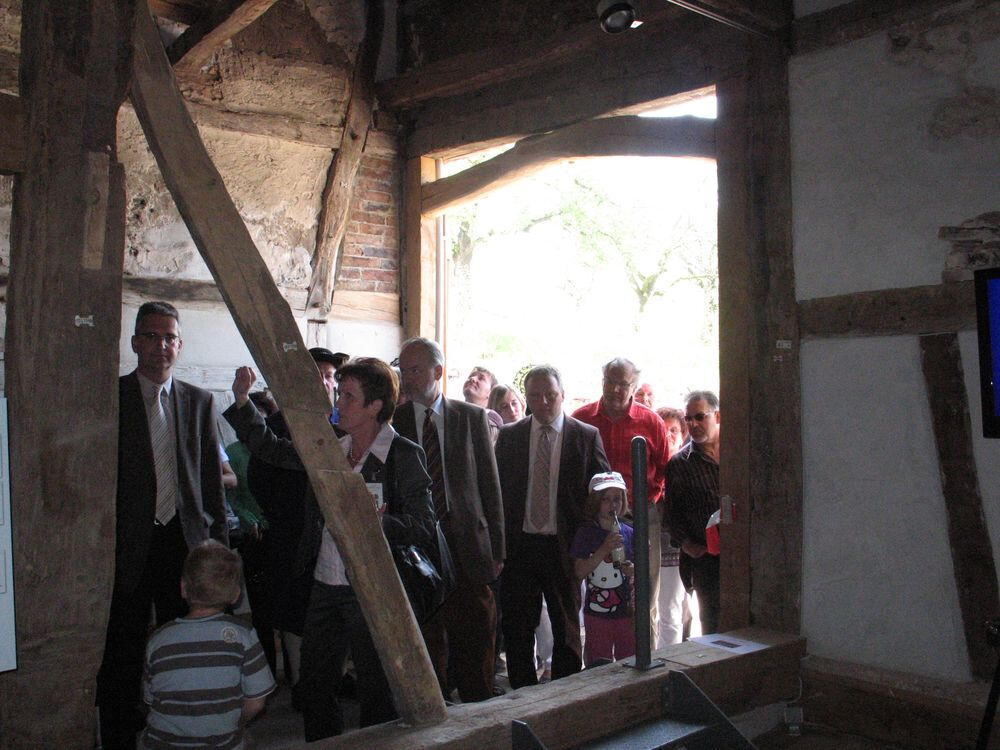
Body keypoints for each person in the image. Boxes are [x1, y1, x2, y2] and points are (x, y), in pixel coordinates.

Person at [226, 357, 437, 739]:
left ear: (375, 406)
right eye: (340, 394)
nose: (337, 403)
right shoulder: (329, 446)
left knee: (376, 689)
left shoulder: (402, 455)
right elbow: (271, 449)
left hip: (373, 589)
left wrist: (380, 523)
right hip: (325, 584)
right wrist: (242, 402)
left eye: (348, 397)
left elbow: (424, 527)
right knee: (314, 687)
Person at [97, 301, 228, 750]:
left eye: (170, 337)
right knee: (123, 646)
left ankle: (181, 727)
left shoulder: (197, 401)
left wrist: (219, 550)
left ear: (180, 344)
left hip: (182, 542)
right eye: (151, 336)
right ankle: (118, 734)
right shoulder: (111, 398)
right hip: (130, 542)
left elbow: (211, 479)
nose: (161, 346)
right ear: (135, 343)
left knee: (184, 642)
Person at [394, 337, 505, 703]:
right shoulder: (393, 423)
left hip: (467, 542)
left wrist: (498, 548)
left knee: (476, 627)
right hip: (417, 545)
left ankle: (479, 703)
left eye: (414, 370)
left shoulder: (471, 417)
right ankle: (435, 705)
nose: (406, 378)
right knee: (427, 632)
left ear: (438, 372)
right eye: (403, 370)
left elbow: (490, 486)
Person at [494, 365, 610, 688]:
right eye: (534, 396)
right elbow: (497, 491)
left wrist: (589, 545)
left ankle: (565, 696)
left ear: (563, 394)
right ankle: (523, 697)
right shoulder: (510, 436)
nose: (543, 402)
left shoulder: (585, 436)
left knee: (567, 629)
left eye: (550, 395)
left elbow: (601, 493)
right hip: (521, 547)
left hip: (565, 547)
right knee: (517, 627)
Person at [571, 358, 669, 648]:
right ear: (601, 382)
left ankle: (643, 657)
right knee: (596, 588)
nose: (615, 389)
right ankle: (596, 659)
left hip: (640, 516)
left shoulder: (651, 422)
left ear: (634, 387)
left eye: (622, 384)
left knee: (643, 591)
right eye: (609, 382)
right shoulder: (582, 418)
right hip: (595, 519)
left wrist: (643, 504)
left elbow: (663, 469)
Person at [139, 540, 275, 749]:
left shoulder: (158, 640)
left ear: (183, 588)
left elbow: (150, 699)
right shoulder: (243, 636)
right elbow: (257, 702)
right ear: (236, 593)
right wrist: (236, 725)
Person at [666, 391, 721, 635]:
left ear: (717, 416)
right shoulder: (680, 464)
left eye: (700, 417)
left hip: (745, 555)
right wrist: (688, 545)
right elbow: (672, 515)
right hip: (706, 560)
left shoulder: (741, 452)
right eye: (688, 419)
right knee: (713, 626)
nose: (693, 425)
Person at [571, 472, 636, 666]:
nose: (612, 505)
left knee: (629, 661)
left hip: (626, 613)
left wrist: (632, 570)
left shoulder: (630, 532)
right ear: (595, 502)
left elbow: (639, 570)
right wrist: (604, 549)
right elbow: (579, 571)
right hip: (597, 614)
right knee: (599, 663)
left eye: (617, 499)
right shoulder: (586, 534)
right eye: (605, 499)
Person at [655, 406, 690, 646]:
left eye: (674, 430)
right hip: (652, 548)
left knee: (671, 609)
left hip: (676, 551)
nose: (668, 435)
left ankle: (670, 663)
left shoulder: (686, 466)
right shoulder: (651, 468)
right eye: (663, 430)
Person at [463, 366, 504, 445]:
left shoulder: (492, 420)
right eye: (470, 376)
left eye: (481, 378)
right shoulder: (452, 412)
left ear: (490, 392)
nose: (473, 379)